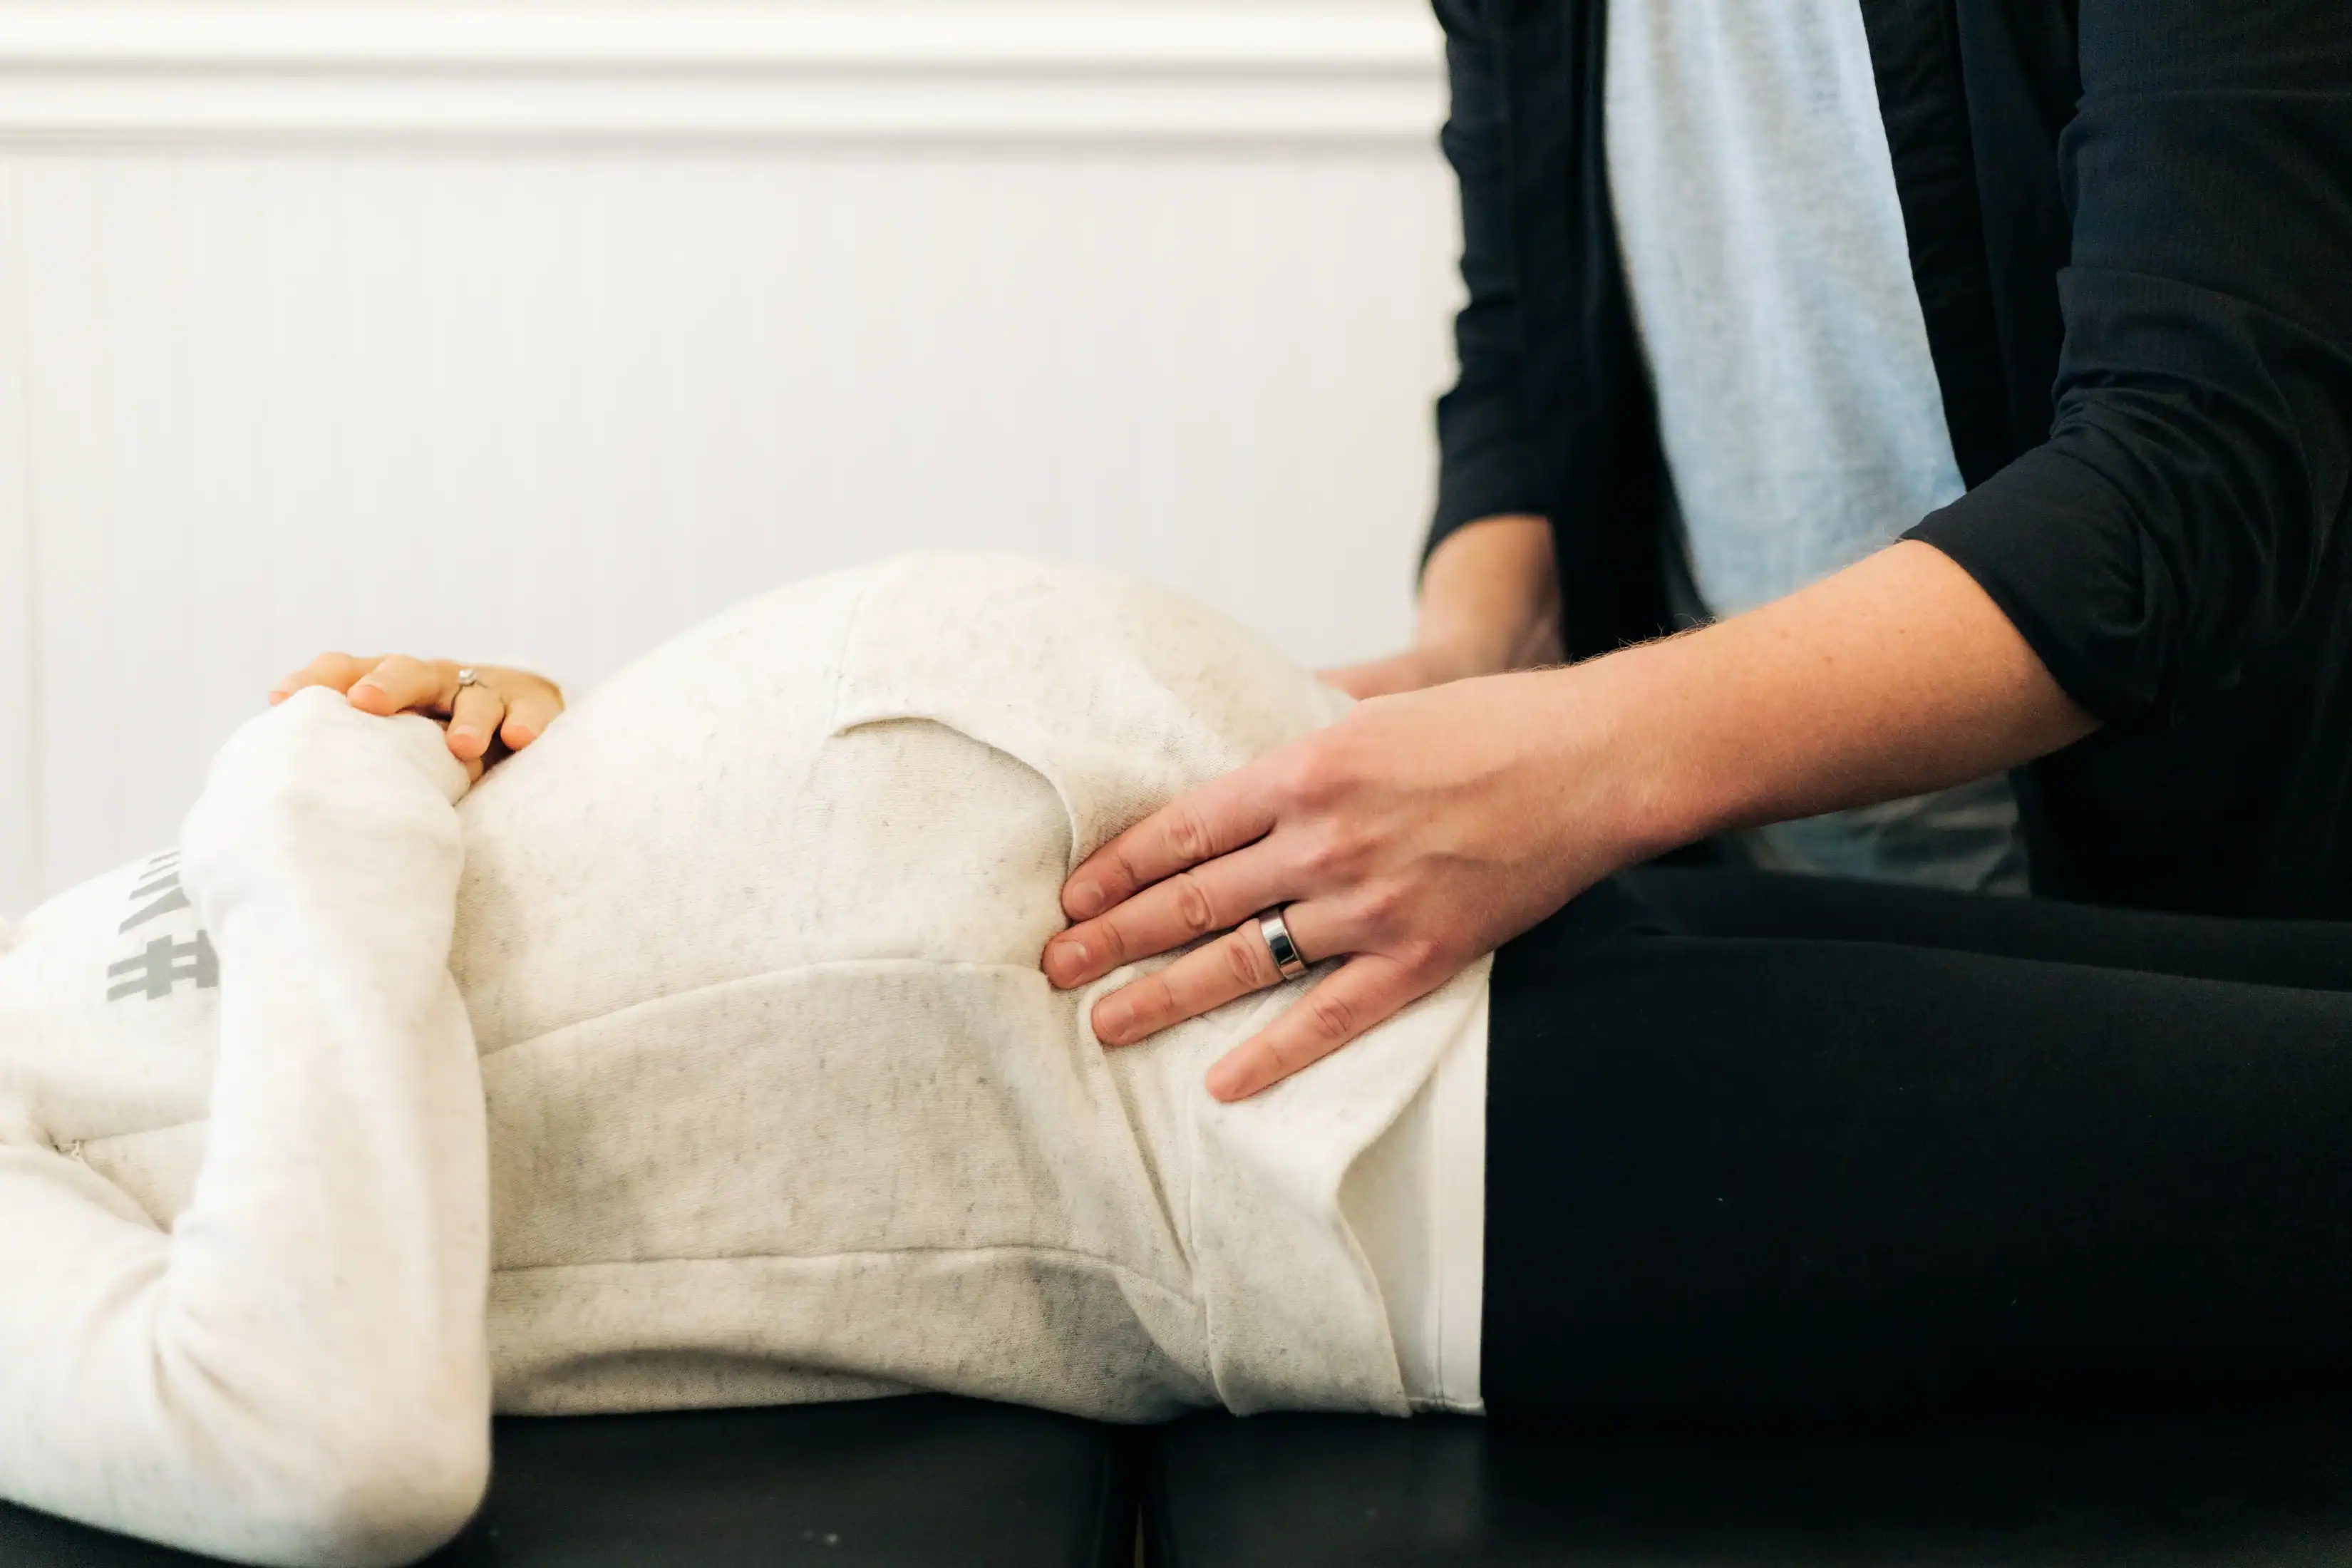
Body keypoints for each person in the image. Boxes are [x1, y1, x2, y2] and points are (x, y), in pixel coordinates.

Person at [9, 555, 2352, 1568]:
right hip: (1337, 1149)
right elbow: (315, 1442)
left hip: (1380, 884)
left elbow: (443, 1054)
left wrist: (481, 750)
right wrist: (302, 811)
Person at [1028, 0, 2352, 1102]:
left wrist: (1568, 761)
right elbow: (1528, 367)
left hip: (2195, 938)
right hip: (1730, 921)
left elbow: (2191, 468)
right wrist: (1467, 666)